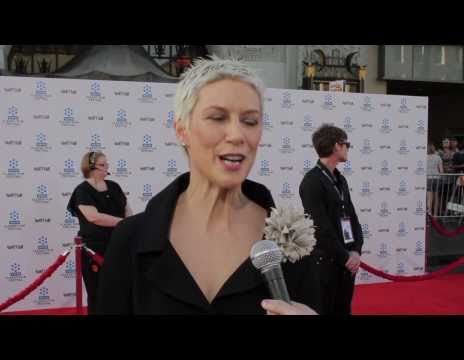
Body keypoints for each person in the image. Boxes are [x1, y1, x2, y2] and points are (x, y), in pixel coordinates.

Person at [96, 57, 321, 315]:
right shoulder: (131, 240)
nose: (237, 135)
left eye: (250, 121)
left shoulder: (291, 242)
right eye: (217, 117)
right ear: (182, 130)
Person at [299, 124, 364, 315]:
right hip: (327, 262)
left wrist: (356, 250)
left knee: (343, 309)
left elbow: (351, 216)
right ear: (337, 145)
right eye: (347, 144)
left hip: (346, 261)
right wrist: (346, 257)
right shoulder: (312, 181)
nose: (348, 148)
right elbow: (320, 227)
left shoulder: (340, 179)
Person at [67, 151, 132, 314]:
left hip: (119, 245)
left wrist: (131, 224)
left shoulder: (115, 186)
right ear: (90, 167)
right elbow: (93, 217)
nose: (107, 168)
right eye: (102, 165)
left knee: (122, 291)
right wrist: (124, 223)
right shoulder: (82, 190)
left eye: (107, 164)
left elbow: (127, 211)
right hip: (94, 249)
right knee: (97, 292)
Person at [427, 142, 443, 216]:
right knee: (436, 197)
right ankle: (436, 215)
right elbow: (441, 170)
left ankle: (429, 214)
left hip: (428, 178)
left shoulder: (424, 157)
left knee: (429, 197)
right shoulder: (438, 157)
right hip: (437, 178)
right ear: (434, 149)